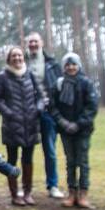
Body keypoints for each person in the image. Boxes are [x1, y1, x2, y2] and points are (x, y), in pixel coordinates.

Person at [0, 46, 46, 206]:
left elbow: (41, 96)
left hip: (30, 124)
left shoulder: (31, 75)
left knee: (28, 160)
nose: (17, 58)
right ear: (9, 59)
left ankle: (28, 192)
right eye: (13, 56)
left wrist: (39, 109)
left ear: (23, 57)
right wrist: (9, 113)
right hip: (12, 126)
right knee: (12, 160)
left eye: (19, 56)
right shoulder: (3, 77)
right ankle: (15, 194)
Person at [50, 53, 99, 208]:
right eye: (67, 65)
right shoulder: (58, 84)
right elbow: (52, 106)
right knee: (70, 162)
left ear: (79, 66)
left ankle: (83, 194)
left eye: (74, 64)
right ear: (64, 67)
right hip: (65, 130)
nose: (71, 67)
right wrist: (63, 122)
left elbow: (92, 107)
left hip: (83, 130)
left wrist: (78, 124)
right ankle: (72, 193)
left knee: (83, 162)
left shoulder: (86, 83)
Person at [25, 32, 65, 199]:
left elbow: (60, 86)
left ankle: (53, 185)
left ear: (41, 43)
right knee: (27, 151)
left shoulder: (52, 64)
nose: (33, 44)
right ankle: (26, 189)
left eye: (36, 41)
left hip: (48, 112)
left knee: (49, 149)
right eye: (30, 42)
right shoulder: (21, 61)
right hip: (27, 114)